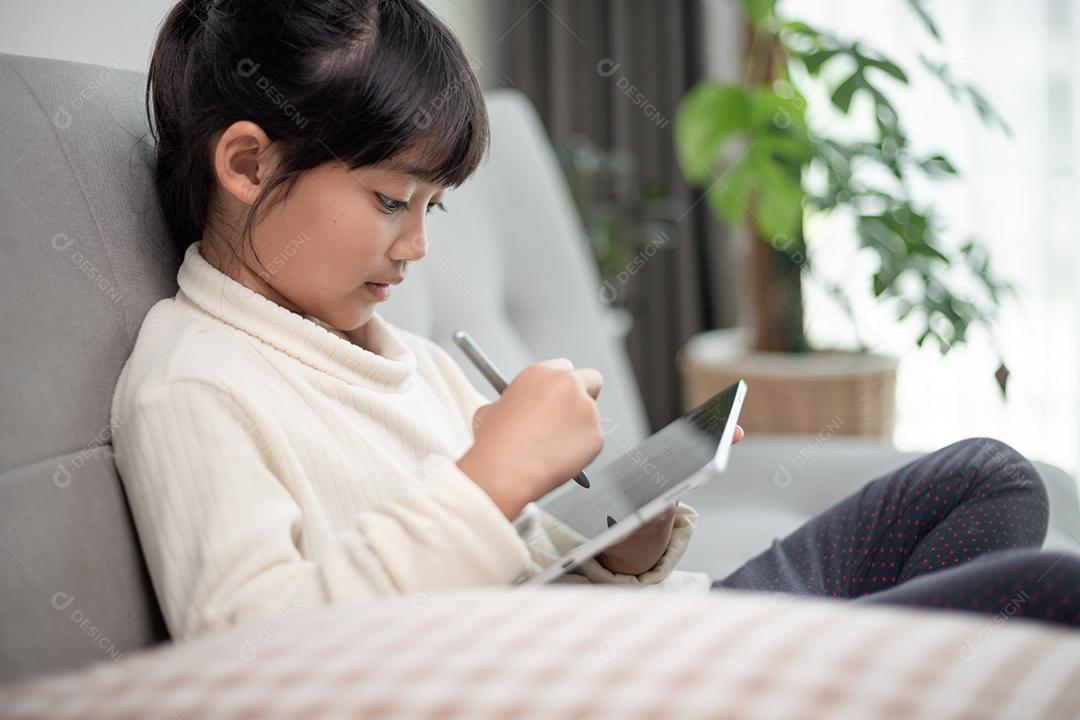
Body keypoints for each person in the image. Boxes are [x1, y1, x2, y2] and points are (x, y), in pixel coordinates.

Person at [112, 0, 1080, 643]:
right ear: (245, 166)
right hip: (613, 686)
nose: (415, 248)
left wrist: (617, 537)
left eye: (432, 210)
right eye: (389, 200)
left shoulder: (404, 357)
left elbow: (515, 568)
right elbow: (255, 666)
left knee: (987, 479)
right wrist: (487, 479)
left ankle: (865, 672)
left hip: (661, 643)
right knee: (1049, 598)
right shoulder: (195, 384)